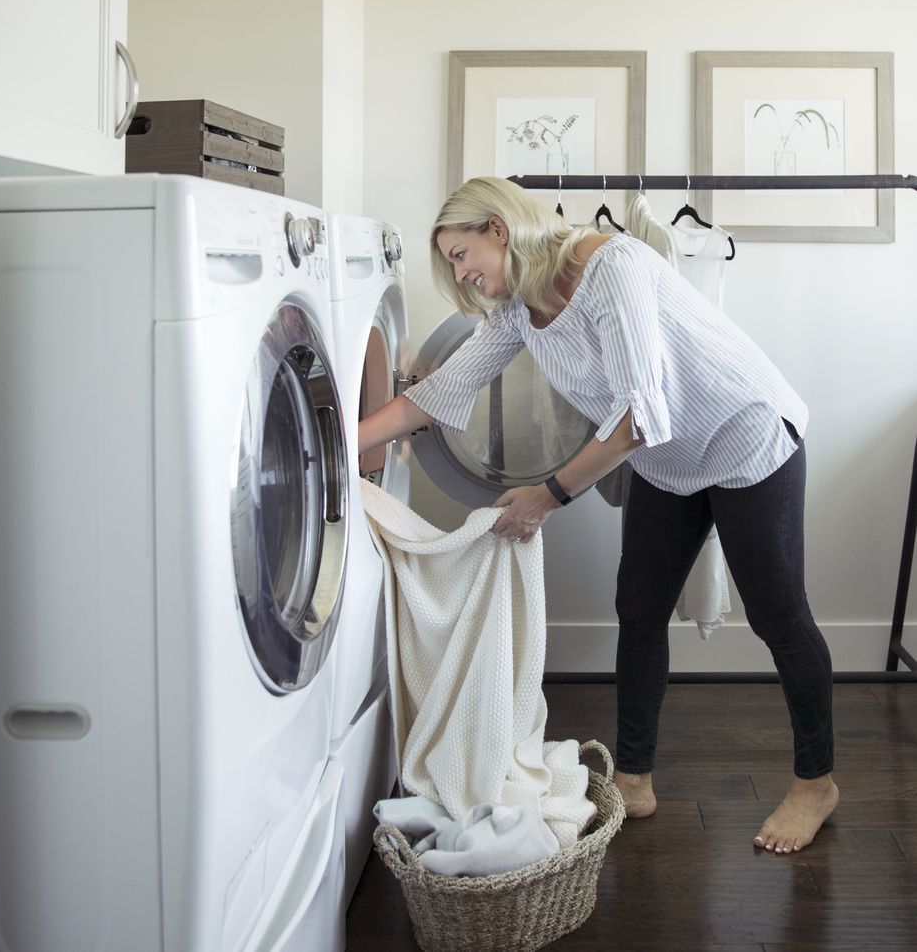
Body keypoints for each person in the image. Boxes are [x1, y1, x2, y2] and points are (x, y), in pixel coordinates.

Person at [357, 175, 838, 854]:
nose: (461, 274)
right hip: (668, 459)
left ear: (499, 229)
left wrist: (546, 496)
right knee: (639, 609)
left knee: (778, 616)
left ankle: (815, 783)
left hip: (745, 435)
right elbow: (437, 392)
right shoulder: (520, 310)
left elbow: (639, 415)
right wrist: (340, 444)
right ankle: (634, 778)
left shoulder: (614, 267)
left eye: (462, 255)